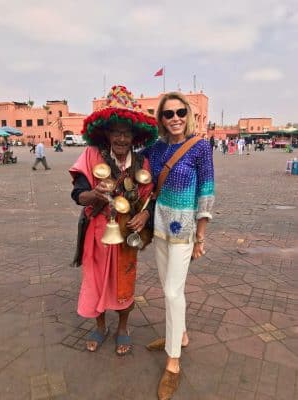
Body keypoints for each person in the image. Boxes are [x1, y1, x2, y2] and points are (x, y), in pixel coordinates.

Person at [69, 85, 158, 356]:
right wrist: (93, 195)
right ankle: (99, 326)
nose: (121, 138)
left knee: (124, 280)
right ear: (106, 133)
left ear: (135, 135)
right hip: (96, 233)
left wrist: (145, 214)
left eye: (126, 132)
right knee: (95, 279)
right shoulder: (92, 155)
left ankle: (122, 328)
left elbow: (150, 197)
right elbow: (77, 194)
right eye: (116, 132)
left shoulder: (142, 164)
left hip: (127, 234)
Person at [143, 92, 215, 400]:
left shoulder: (200, 148)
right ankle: (180, 334)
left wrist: (201, 235)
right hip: (159, 227)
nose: (175, 118)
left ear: (189, 115)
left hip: (185, 230)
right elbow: (134, 162)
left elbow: (207, 190)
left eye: (180, 112)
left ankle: (173, 362)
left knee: (172, 291)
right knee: (169, 286)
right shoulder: (156, 150)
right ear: (161, 118)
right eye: (168, 113)